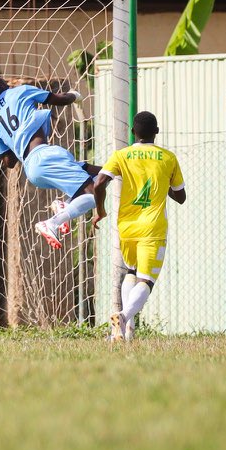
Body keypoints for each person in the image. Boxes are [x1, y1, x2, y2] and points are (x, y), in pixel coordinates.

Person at [0, 71, 100, 249]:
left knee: (100, 174)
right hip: (44, 156)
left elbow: (9, 163)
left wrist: (16, 138)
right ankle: (53, 222)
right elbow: (60, 99)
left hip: (31, 169)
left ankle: (65, 205)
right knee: (95, 193)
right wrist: (75, 95)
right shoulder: (19, 91)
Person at [93, 111, 185, 341]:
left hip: (127, 226)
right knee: (146, 281)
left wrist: (100, 210)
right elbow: (181, 196)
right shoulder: (168, 158)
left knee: (132, 272)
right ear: (156, 132)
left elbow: (99, 183)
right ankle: (123, 316)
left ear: (133, 132)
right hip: (152, 229)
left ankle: (125, 332)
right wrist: (162, 183)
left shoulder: (122, 155)